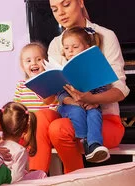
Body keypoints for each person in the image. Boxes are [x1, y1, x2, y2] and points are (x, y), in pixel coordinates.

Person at [28, 0, 130, 174]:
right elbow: (49, 98)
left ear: (80, 3)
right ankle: (35, 176)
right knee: (41, 116)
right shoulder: (55, 43)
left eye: (66, 4)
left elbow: (121, 89)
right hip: (69, 112)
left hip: (102, 120)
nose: (60, 12)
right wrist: (44, 84)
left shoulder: (105, 35)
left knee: (58, 128)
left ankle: (74, 177)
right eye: (54, 9)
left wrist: (92, 99)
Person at [57, 26, 109, 163]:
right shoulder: (63, 69)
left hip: (89, 103)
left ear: (86, 47)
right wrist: (72, 101)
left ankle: (94, 144)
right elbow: (60, 94)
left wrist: (95, 102)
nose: (70, 51)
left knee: (95, 113)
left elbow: (101, 89)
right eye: (67, 48)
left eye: (75, 46)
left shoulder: (93, 67)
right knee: (77, 111)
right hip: (69, 105)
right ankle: (83, 141)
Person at [0, 101, 47, 183]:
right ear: (26, 129)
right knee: (40, 174)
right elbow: (16, 179)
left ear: (0, 127)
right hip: (11, 182)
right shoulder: (20, 151)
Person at [14, 42, 58, 112]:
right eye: (28, 61)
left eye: (38, 59)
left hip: (47, 119)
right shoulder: (21, 85)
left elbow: (55, 105)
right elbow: (16, 108)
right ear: (22, 66)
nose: (33, 63)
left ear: (46, 62)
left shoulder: (50, 83)